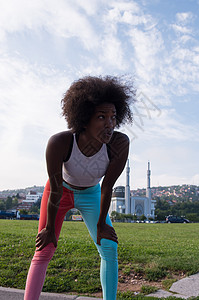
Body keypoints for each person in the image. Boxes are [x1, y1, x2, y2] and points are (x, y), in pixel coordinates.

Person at [24, 75, 135, 300]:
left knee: (109, 247)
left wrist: (102, 223)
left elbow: (107, 187)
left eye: (113, 117)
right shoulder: (60, 142)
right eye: (101, 117)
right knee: (44, 248)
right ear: (84, 119)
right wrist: (49, 229)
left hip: (93, 194)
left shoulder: (119, 144)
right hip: (60, 192)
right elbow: (55, 188)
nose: (109, 124)